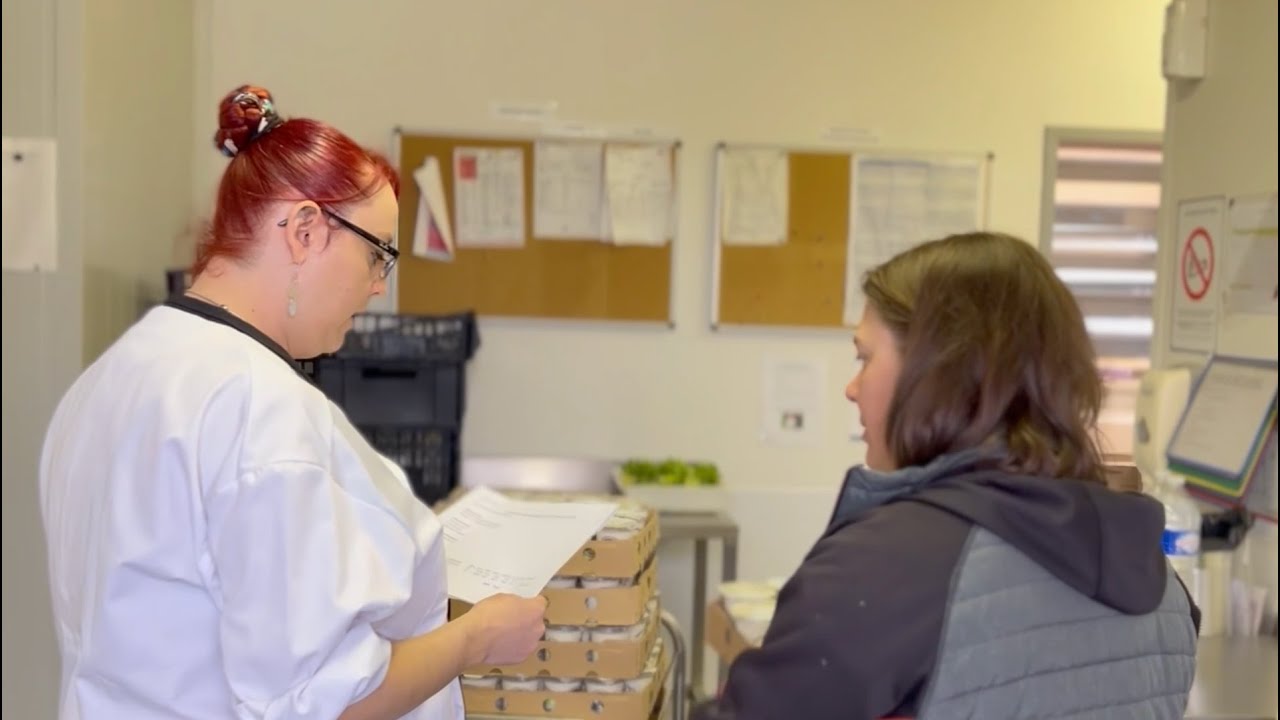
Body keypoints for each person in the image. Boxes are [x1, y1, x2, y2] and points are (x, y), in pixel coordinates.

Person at [39, 86, 547, 720]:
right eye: (377, 254)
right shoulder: (259, 405)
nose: (378, 286)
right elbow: (322, 706)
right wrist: (478, 637)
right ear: (305, 231)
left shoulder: (110, 377)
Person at [694, 232, 1200, 720]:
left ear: (936, 374)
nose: (852, 388)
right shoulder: (1162, 585)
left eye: (865, 358)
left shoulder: (887, 562)